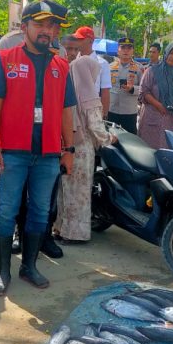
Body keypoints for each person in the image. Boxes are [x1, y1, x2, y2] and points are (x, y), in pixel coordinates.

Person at [0, 0, 76, 296]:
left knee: (39, 212)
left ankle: (30, 266)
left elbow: (66, 110)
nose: (46, 31)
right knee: (6, 212)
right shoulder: (6, 58)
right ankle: (2, 272)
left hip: (49, 154)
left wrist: (69, 149)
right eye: (40, 24)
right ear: (24, 27)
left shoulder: (62, 66)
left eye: (52, 26)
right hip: (13, 150)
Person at [56, 54, 116, 243]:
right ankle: (75, 234)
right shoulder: (90, 95)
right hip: (82, 150)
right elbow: (96, 126)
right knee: (80, 192)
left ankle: (60, 229)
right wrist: (110, 138)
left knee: (65, 190)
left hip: (66, 146)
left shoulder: (66, 92)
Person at [138, 42, 173, 149]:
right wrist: (159, 105)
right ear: (166, 53)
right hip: (151, 119)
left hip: (170, 123)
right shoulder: (152, 71)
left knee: (166, 156)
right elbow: (143, 92)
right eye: (171, 53)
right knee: (148, 154)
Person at [71, 26, 112, 117]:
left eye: (80, 39)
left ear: (90, 41)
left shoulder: (102, 64)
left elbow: (105, 91)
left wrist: (104, 114)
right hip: (73, 107)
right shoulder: (72, 62)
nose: (77, 41)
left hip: (92, 108)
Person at [109, 36, 143, 134]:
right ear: (118, 50)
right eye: (123, 47)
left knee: (130, 141)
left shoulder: (139, 68)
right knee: (111, 140)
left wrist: (132, 89)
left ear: (133, 51)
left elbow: (143, 89)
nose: (126, 51)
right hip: (112, 111)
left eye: (129, 48)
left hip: (129, 112)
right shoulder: (109, 67)